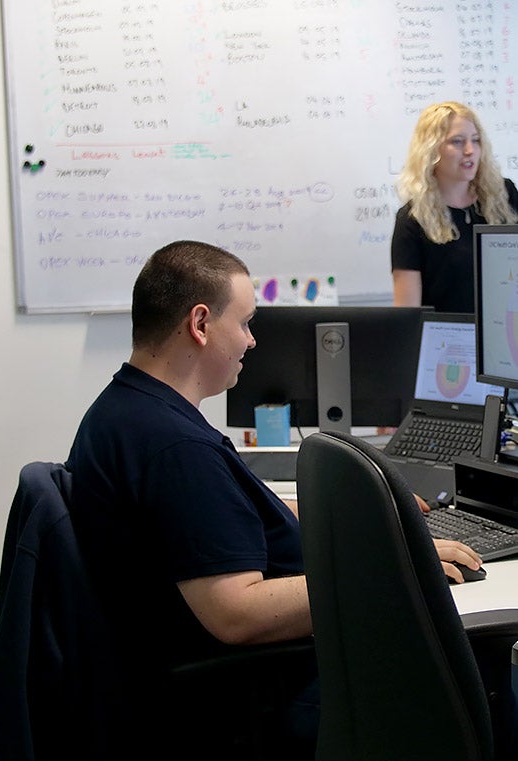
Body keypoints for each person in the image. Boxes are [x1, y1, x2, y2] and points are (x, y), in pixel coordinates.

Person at [66, 240, 482, 698]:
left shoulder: (128, 410)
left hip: (207, 669)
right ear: (200, 323)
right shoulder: (174, 448)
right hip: (259, 686)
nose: (251, 339)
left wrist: (369, 519)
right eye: (244, 323)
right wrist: (397, 570)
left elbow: (227, 517)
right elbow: (236, 613)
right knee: (474, 662)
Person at [391, 100, 518, 313]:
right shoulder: (413, 219)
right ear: (431, 151)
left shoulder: (504, 195)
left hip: (504, 331)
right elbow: (407, 315)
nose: (470, 150)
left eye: (476, 141)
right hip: (449, 341)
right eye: (457, 142)